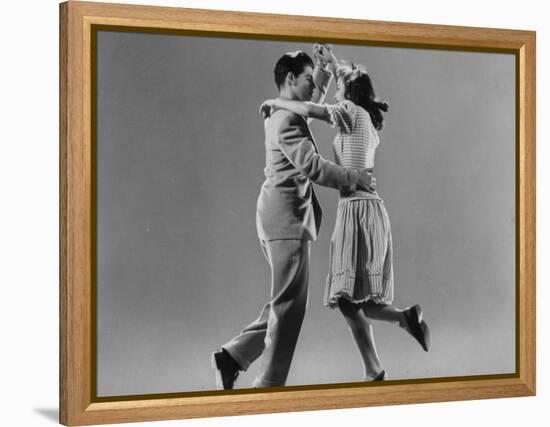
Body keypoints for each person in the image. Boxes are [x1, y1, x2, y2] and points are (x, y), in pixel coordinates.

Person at [259, 45, 430, 382]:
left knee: (349, 298)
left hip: (356, 210)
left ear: (348, 94)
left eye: (338, 88)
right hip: (370, 210)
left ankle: (391, 340)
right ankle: (381, 357)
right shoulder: (365, 118)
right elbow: (338, 88)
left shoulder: (349, 111)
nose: (331, 91)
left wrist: (277, 102)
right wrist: (333, 65)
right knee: (352, 301)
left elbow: (312, 109)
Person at [211, 48, 377, 389]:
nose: (313, 87)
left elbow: (310, 100)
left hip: (282, 217)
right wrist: (354, 178)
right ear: (290, 79)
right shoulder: (285, 119)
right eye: (306, 79)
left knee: (283, 302)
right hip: (285, 219)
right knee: (288, 310)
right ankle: (268, 387)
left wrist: (322, 68)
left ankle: (232, 357)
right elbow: (314, 167)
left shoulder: (285, 112)